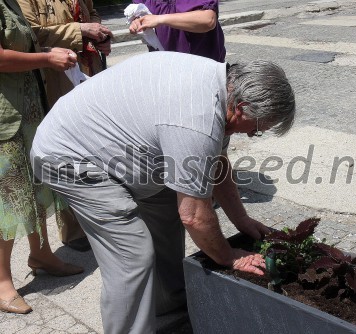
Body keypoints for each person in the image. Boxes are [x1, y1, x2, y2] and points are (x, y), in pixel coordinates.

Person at [31, 51, 295, 333]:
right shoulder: (198, 118)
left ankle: (169, 311)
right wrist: (230, 256)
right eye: (257, 129)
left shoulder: (220, 86)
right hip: (69, 157)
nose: (252, 135)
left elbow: (217, 165)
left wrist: (241, 220)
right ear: (241, 107)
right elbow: (194, 216)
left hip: (110, 147)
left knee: (167, 205)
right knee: (132, 254)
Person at [0, 0, 83, 314]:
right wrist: (48, 58)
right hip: (5, 120)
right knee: (8, 198)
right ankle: (2, 281)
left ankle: (42, 254)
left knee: (35, 186)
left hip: (26, 110)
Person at [18, 0, 113, 251]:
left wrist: (98, 34)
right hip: (55, 76)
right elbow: (30, 33)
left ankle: (102, 214)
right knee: (65, 151)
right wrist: (80, 31)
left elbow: (91, 13)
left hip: (86, 68)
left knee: (96, 144)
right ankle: (72, 228)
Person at [129, 0, 225, 62]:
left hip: (200, 67)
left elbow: (208, 20)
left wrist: (160, 19)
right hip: (164, 66)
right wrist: (137, 23)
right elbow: (141, 14)